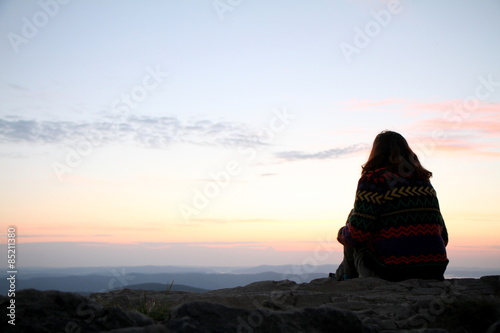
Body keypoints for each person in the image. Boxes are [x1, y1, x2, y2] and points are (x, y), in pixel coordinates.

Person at [336, 130, 449, 282]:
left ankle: (346, 279)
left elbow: (358, 234)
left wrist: (341, 233)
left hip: (391, 271)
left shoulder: (373, 180)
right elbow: (444, 237)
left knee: (353, 219)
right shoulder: (423, 181)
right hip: (434, 269)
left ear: (376, 153)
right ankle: (343, 275)